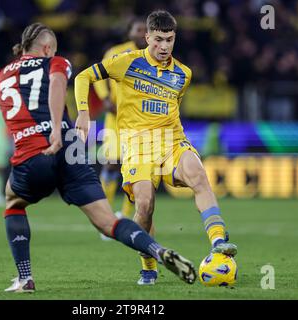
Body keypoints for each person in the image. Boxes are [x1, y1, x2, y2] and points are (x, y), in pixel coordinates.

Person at [0, 22, 196, 293]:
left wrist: (2, 96)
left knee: (13, 201)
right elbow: (58, 82)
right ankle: (157, 250)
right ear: (48, 48)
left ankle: (25, 279)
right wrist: (58, 127)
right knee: (108, 222)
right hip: (71, 149)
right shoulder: (56, 62)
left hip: (33, 150)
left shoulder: (1, 76)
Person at [75, 10, 237, 286]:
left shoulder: (183, 74)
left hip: (172, 141)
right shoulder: (126, 62)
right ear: (147, 37)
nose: (164, 46)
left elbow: (172, 108)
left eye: (170, 40)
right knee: (145, 204)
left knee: (198, 175)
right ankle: (148, 266)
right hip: (138, 146)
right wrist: (82, 113)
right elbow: (82, 78)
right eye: (158, 40)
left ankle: (219, 242)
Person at [93, 18, 147, 241]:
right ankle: (105, 218)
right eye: (139, 29)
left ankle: (127, 217)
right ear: (130, 32)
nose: (143, 33)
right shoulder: (116, 53)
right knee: (112, 162)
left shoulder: (156, 56)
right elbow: (97, 76)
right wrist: (105, 99)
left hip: (141, 120)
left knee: (135, 168)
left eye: (146, 30)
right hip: (116, 118)